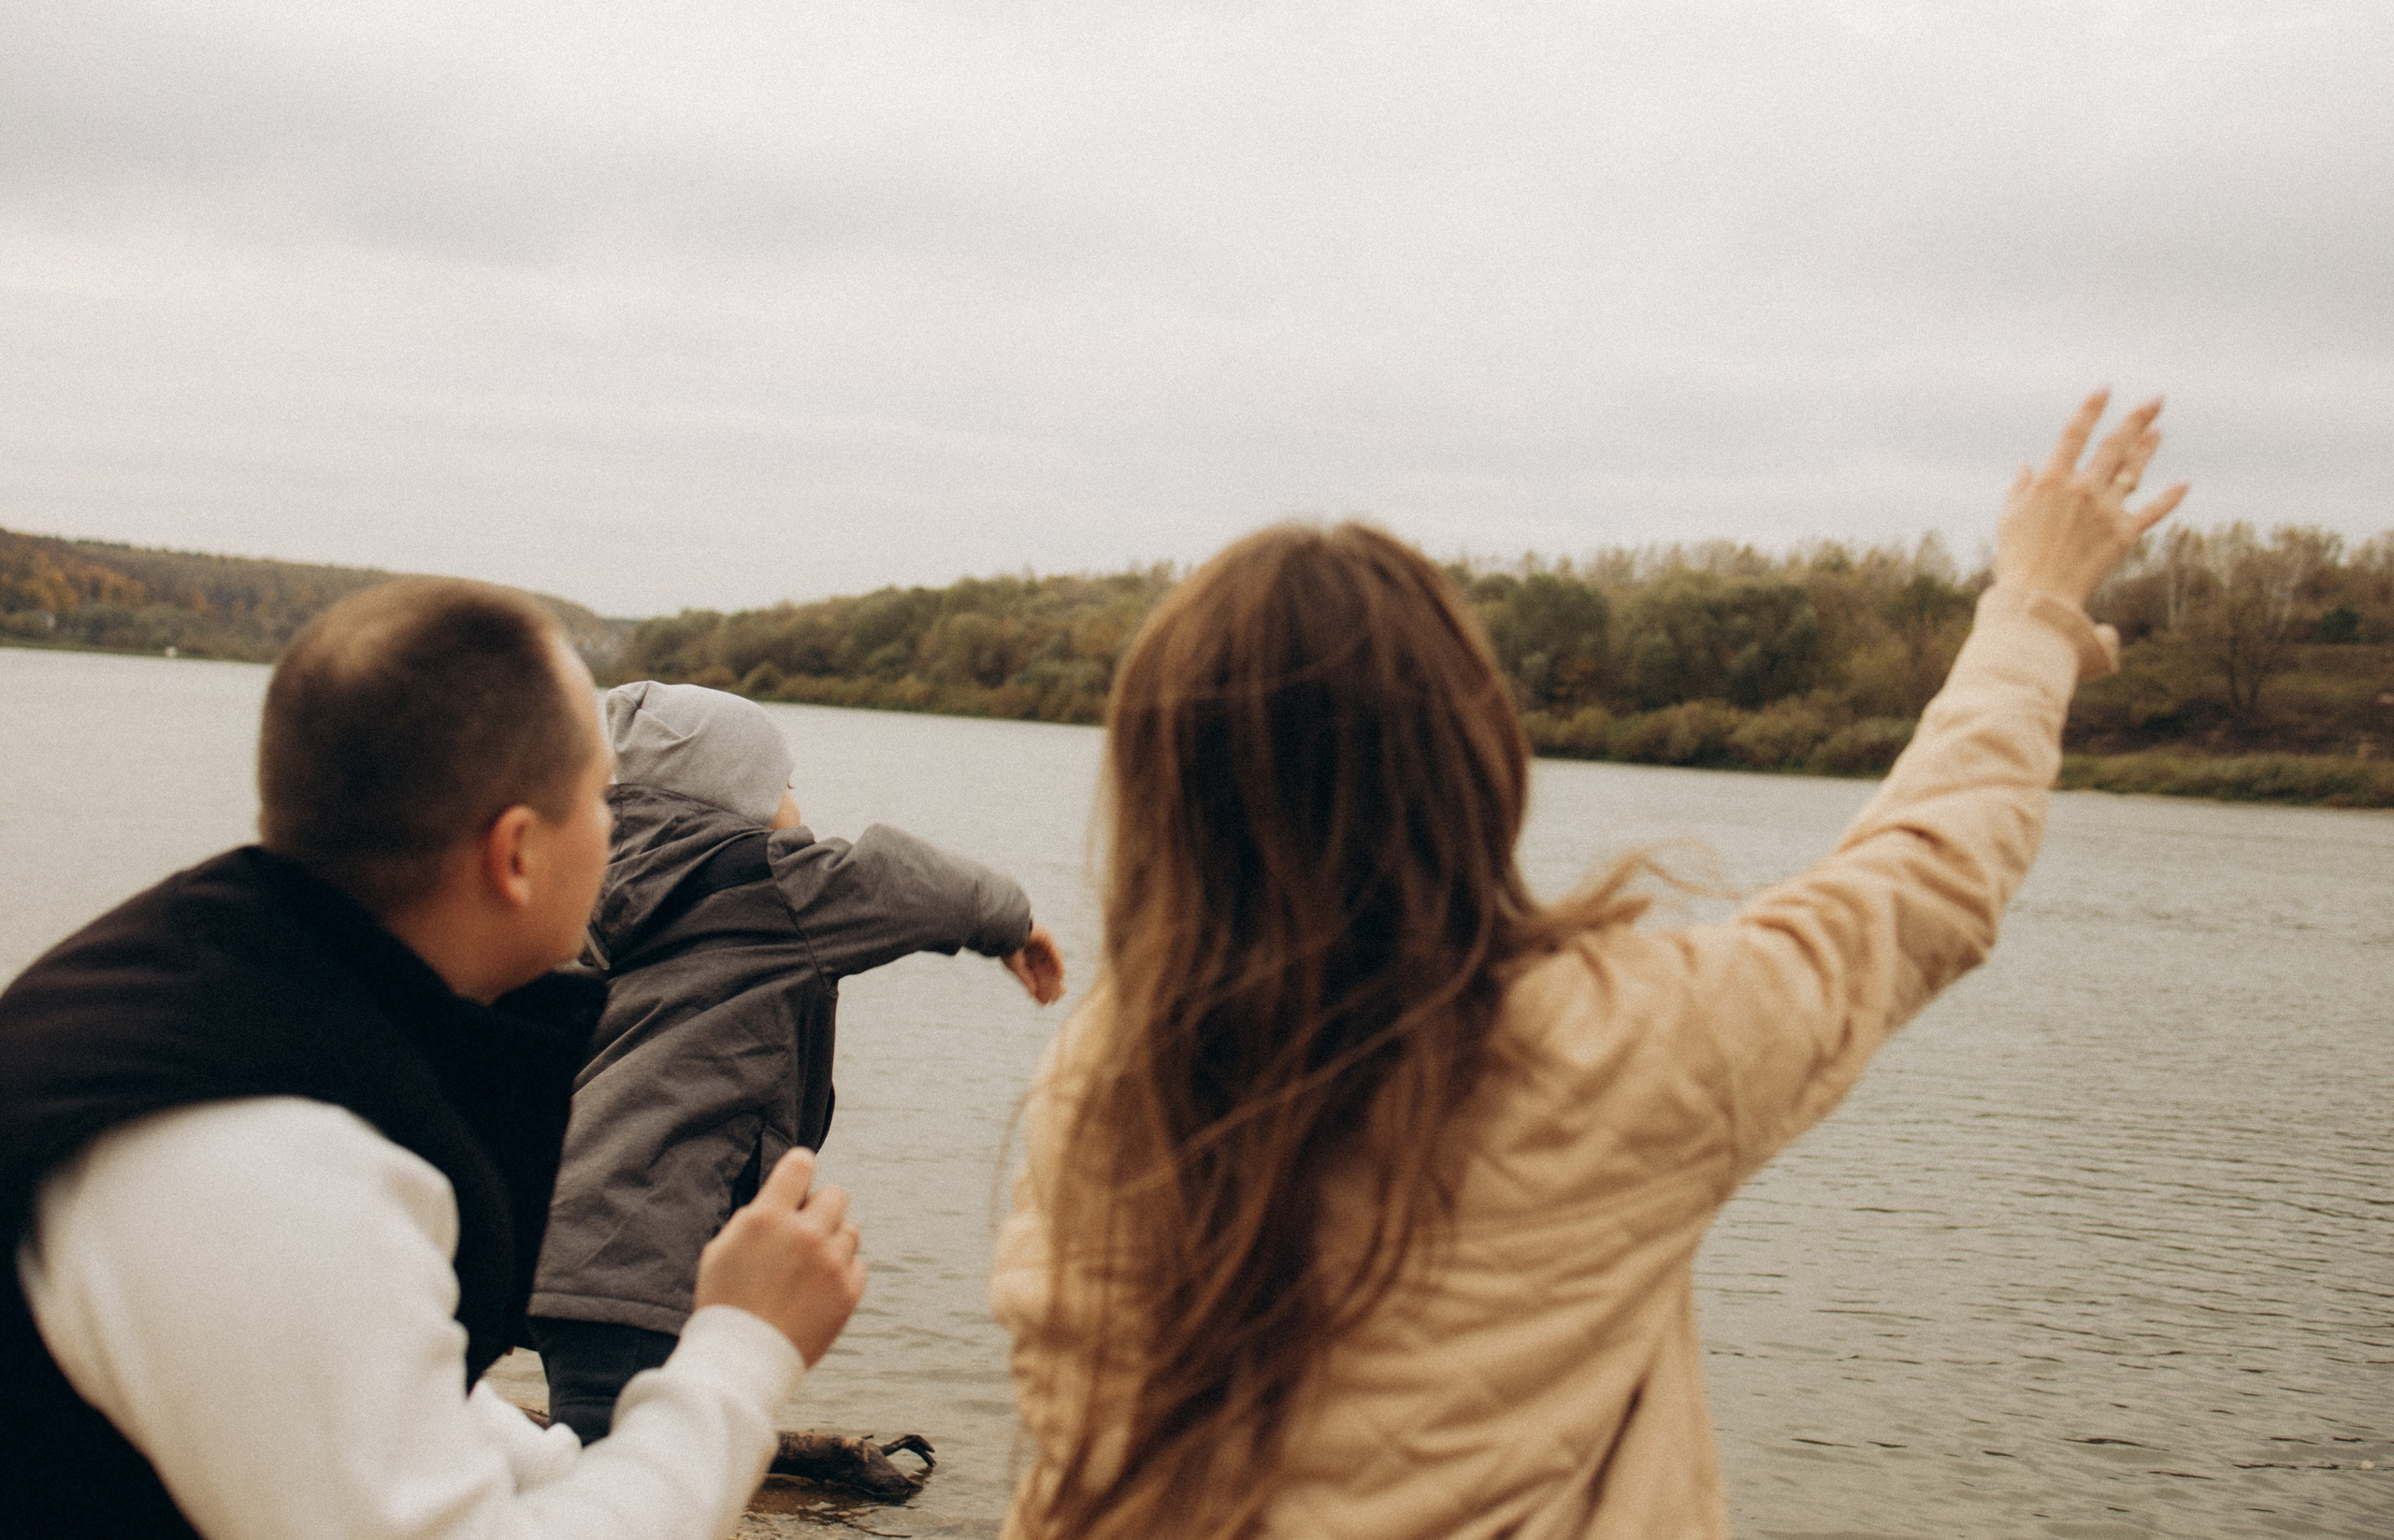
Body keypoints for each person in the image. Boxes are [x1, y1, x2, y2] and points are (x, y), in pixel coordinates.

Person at [990, 392, 2184, 1540]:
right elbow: (1927, 874)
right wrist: (2029, 608)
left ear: (1163, 797)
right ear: (1473, 760)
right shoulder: (1626, 1044)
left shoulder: (1096, 1091)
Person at [0, 579, 867, 1540]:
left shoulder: (248, 993)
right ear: (518, 853)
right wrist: (743, 1347)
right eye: (602, 802)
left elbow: (463, 1442)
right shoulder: (262, 1155)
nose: (619, 832)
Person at [529, 680, 1065, 1445]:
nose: (794, 800)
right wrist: (1011, 920)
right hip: (651, 1253)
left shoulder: (592, 886)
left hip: (566, 1237)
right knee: (624, 1463)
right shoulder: (776, 883)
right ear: (732, 795)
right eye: (783, 782)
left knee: (605, 1449)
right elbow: (905, 882)